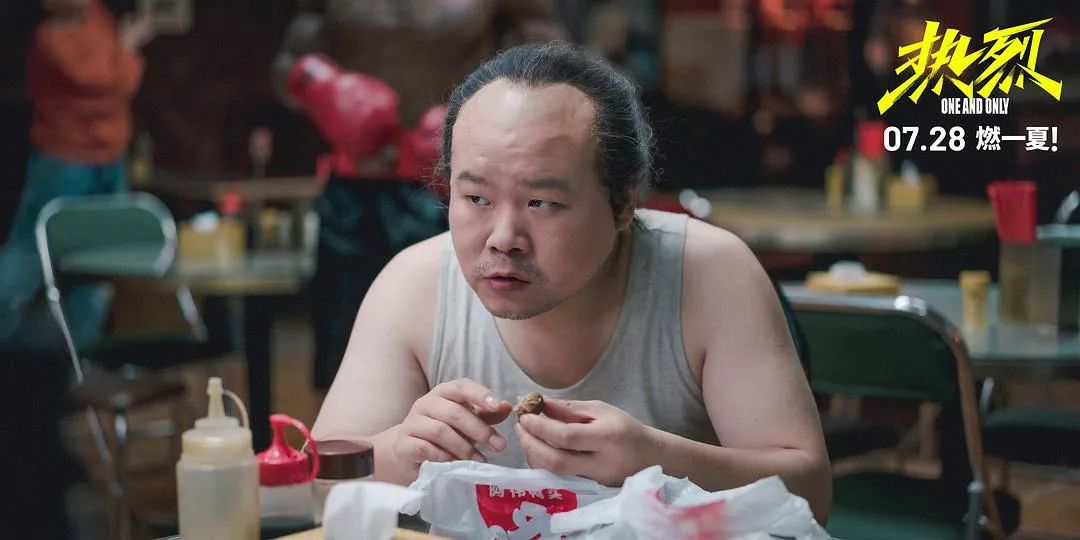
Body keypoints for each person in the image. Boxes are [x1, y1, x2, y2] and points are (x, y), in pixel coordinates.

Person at [312, 42, 831, 522]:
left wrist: (656, 459)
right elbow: (314, 486)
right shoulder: (414, 286)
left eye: (542, 202)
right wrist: (400, 451)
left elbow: (811, 496)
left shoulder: (710, 274)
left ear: (624, 202)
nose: (503, 238)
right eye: (476, 198)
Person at [272, 0, 564, 396]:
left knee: (467, 351)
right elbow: (287, 64)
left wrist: (475, 113)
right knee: (340, 353)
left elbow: (556, 64)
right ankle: (344, 437)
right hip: (353, 188)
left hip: (460, 186)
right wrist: (323, 88)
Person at [0, 0, 153, 350]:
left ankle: (76, 360)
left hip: (110, 160)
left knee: (99, 267)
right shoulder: (50, 38)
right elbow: (102, 83)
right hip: (64, 161)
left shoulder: (99, 17)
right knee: (28, 255)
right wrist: (127, 47)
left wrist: (122, 54)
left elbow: (117, 85)